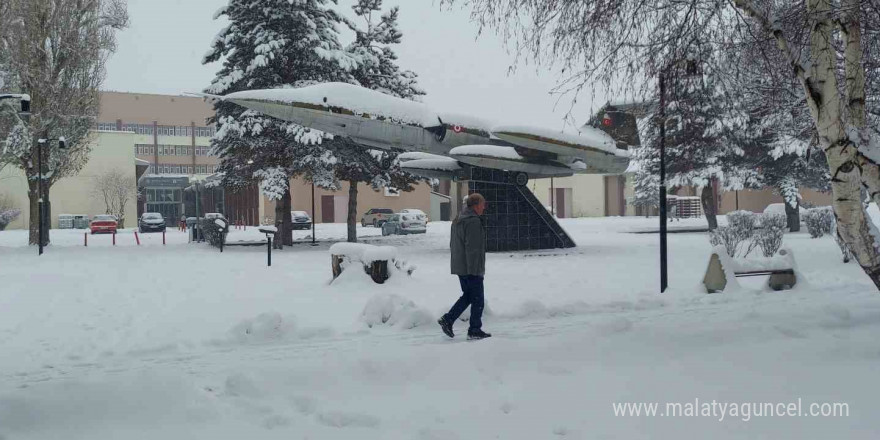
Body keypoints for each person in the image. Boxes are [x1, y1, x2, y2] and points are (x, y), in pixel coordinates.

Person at [438, 193, 492, 340]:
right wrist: (475, 271)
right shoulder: (472, 221)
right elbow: (473, 248)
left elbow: (453, 244)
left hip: (460, 266)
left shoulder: (458, 219)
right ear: (475, 205)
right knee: (478, 299)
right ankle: (474, 330)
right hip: (471, 267)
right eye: (482, 204)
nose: (484, 207)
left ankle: (448, 320)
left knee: (469, 296)